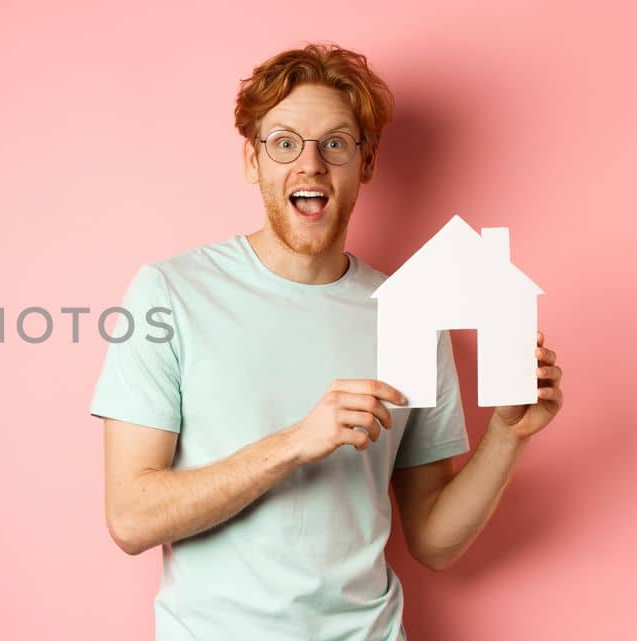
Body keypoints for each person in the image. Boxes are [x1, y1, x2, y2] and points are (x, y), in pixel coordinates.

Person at [89, 43, 565, 641]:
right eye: (285, 143)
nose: (310, 165)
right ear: (252, 161)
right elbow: (131, 519)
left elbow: (434, 542)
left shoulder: (410, 310)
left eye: (335, 144)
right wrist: (293, 444)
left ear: (364, 164)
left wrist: (506, 436)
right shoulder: (169, 294)